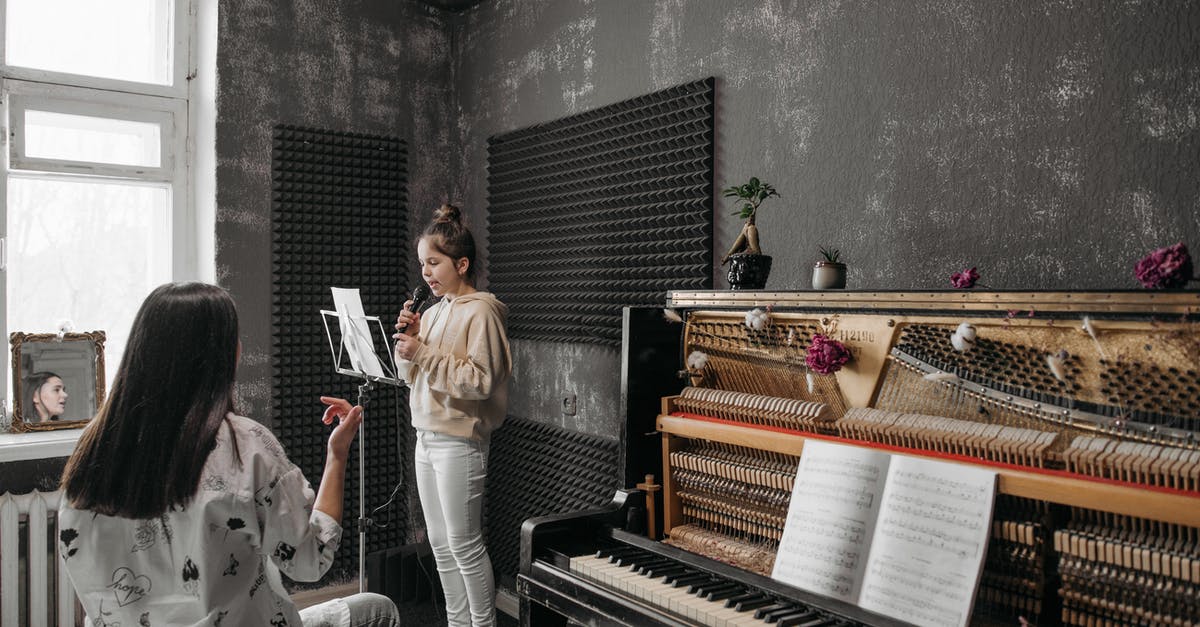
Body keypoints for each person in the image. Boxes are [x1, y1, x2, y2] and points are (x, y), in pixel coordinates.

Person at [58, 282, 400, 627]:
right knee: (378, 608)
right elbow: (310, 560)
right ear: (222, 355)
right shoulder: (245, 444)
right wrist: (337, 455)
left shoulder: (94, 449)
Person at [391, 203, 512, 627]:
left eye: (434, 262)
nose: (426, 272)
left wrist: (422, 352)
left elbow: (481, 382)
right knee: (441, 545)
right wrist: (409, 340)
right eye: (422, 262)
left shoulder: (482, 311)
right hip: (426, 437)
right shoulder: (436, 310)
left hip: (460, 441)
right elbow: (410, 377)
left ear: (461, 264)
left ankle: (483, 624)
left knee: (465, 544)